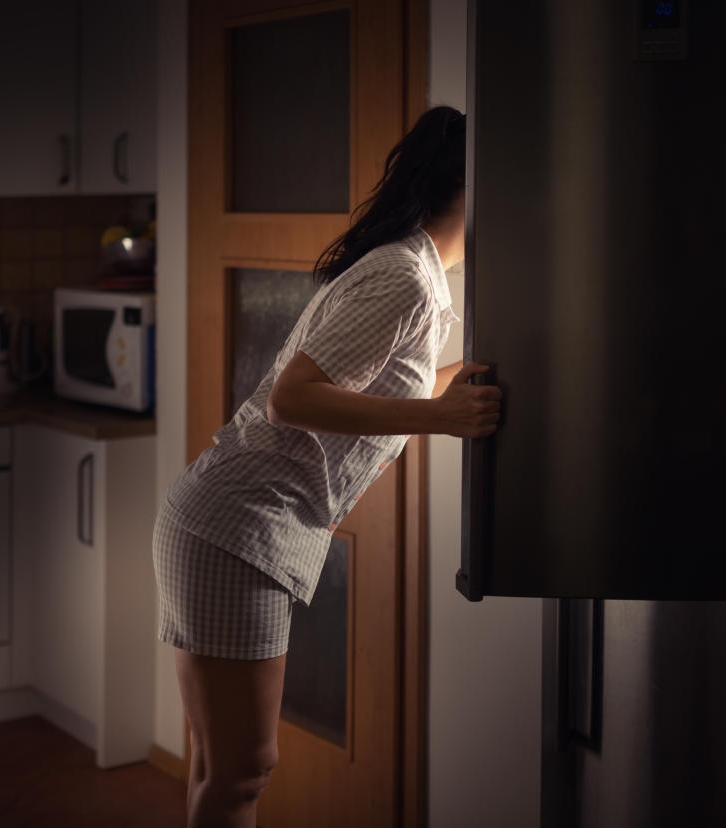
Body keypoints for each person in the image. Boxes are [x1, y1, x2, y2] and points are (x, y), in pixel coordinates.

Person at [152, 105, 502, 828]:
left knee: (220, 767)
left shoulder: (420, 277)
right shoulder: (405, 276)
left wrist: (452, 382)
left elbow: (380, 384)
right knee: (244, 770)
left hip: (223, 523)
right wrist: (438, 417)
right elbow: (293, 398)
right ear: (476, 189)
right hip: (236, 529)